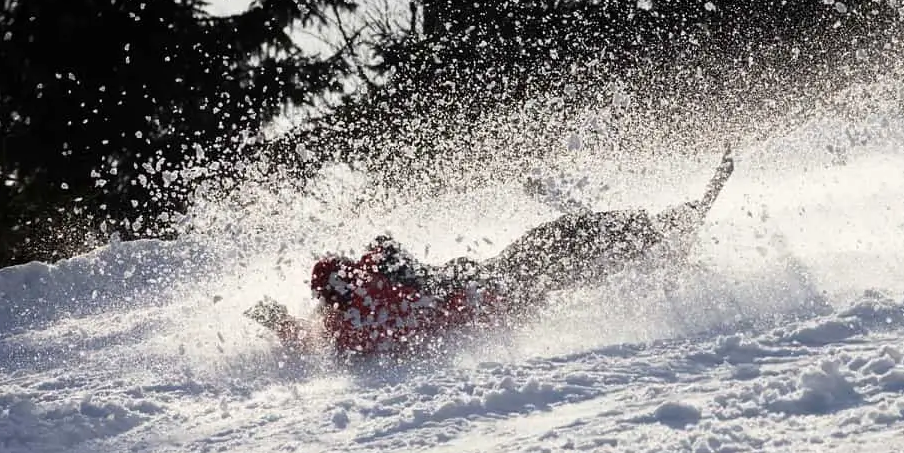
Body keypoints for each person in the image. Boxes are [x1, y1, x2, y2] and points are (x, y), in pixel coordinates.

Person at [247, 148, 734, 357]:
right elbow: (390, 250)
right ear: (347, 284)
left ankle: (652, 241)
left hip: (486, 298)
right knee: (565, 239)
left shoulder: (345, 329)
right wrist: (375, 252)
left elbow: (309, 337)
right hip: (491, 291)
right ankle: (661, 235)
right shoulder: (374, 291)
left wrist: (275, 320)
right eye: (349, 271)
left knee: (569, 257)